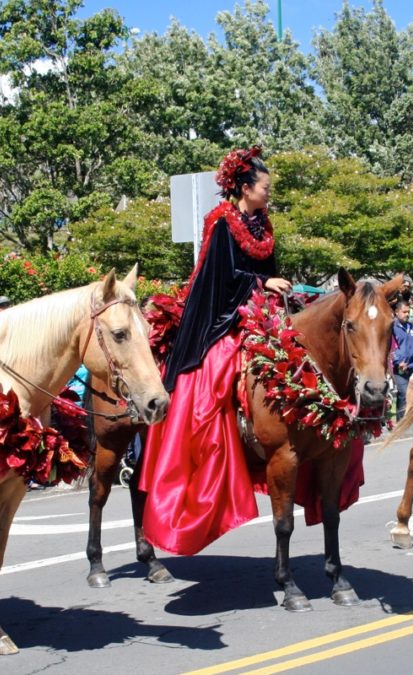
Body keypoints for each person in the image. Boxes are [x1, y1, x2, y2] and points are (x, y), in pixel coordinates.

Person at [139, 146, 291, 555]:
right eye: (264, 186)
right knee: (218, 370)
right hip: (224, 318)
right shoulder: (222, 222)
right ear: (245, 187)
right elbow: (221, 280)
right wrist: (262, 285)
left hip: (263, 311)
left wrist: (276, 285)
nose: (268, 192)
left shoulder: (263, 224)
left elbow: (267, 267)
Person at [390, 300, 413, 420]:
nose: (407, 314)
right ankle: (401, 419)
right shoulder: (392, 327)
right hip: (399, 368)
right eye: (404, 312)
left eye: (408, 312)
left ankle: (410, 418)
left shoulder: (411, 326)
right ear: (396, 312)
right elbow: (390, 347)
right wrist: (397, 361)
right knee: (403, 392)